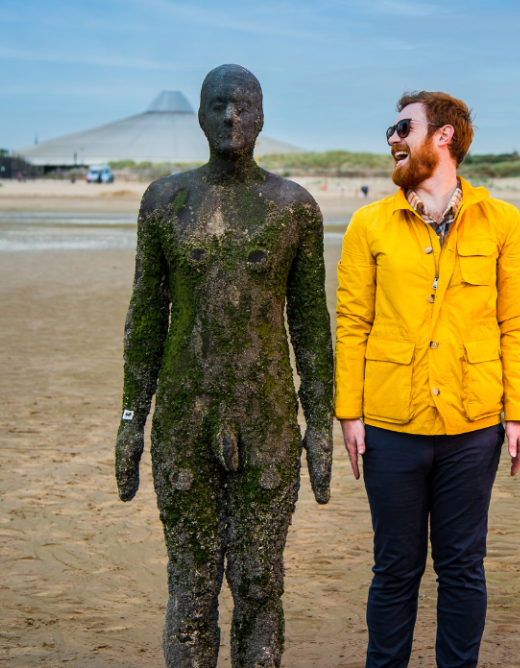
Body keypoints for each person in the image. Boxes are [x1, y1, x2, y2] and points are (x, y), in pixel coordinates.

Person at [115, 64, 334, 668]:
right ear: (200, 115)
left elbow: (311, 326)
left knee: (260, 582)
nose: (230, 118)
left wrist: (320, 425)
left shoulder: (293, 208)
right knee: (191, 587)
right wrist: (132, 419)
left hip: (267, 424)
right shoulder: (165, 201)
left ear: (262, 116)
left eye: (241, 107)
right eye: (217, 106)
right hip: (184, 424)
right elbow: (144, 319)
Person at [335, 91, 520, 668]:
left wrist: (518, 413)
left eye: (403, 127)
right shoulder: (369, 224)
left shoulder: (502, 223)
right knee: (394, 569)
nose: (392, 138)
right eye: (391, 130)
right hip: (390, 426)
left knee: (463, 569)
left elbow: (516, 322)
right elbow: (352, 323)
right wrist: (348, 411)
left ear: (443, 136)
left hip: (474, 428)